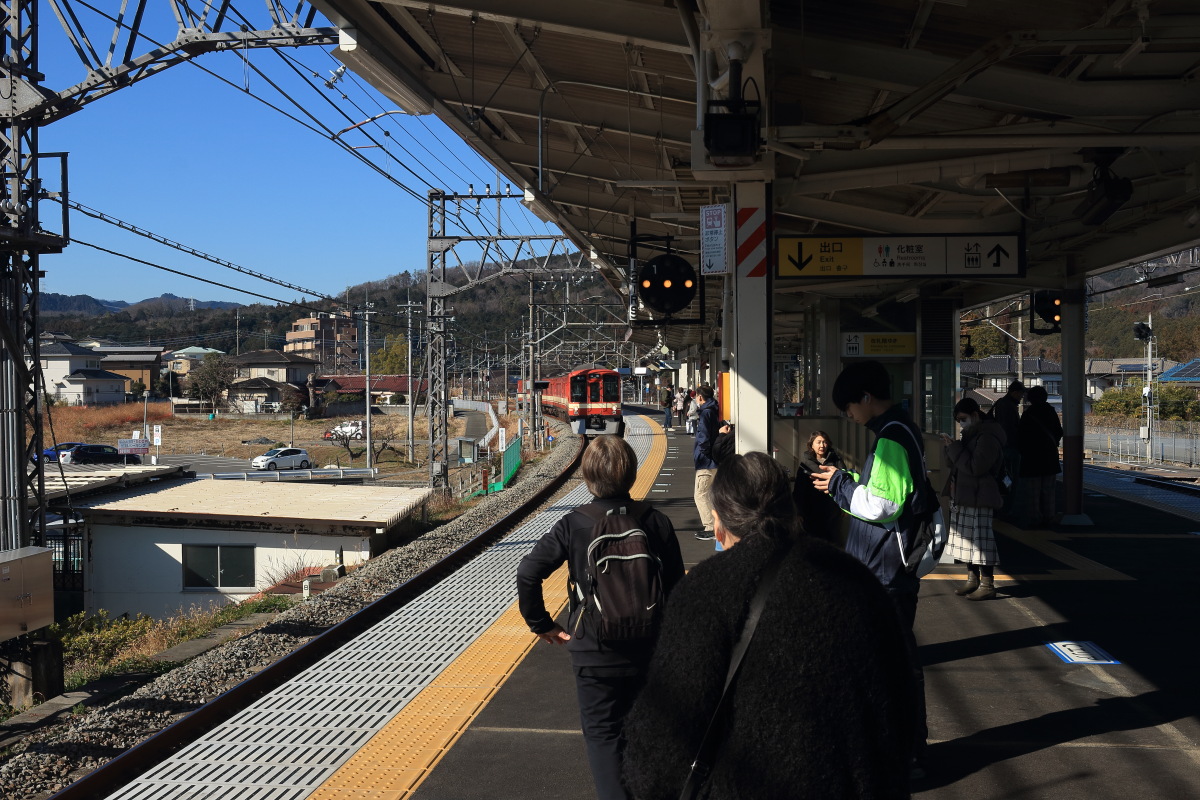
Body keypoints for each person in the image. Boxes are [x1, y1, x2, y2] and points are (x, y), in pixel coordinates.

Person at [622, 453, 914, 799]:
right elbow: (899, 709)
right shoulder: (856, 580)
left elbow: (661, 743)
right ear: (791, 512)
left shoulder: (703, 592)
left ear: (719, 522)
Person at [516, 435, 684, 800]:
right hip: (649, 649)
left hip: (594, 650)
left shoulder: (574, 524)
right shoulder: (655, 522)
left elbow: (528, 572)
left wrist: (542, 624)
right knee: (647, 733)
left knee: (604, 736)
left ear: (588, 477)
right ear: (633, 474)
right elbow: (677, 590)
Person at [810, 359, 929, 777]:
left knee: (893, 667)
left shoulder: (892, 436)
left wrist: (840, 485)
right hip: (887, 567)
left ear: (865, 397)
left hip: (886, 570)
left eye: (848, 406)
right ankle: (901, 750)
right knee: (891, 664)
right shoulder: (899, 430)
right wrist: (844, 481)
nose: (848, 415)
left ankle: (906, 754)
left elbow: (882, 505)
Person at [940, 398, 1005, 601]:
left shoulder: (988, 437)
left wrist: (955, 449)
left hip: (981, 495)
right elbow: (957, 463)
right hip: (967, 494)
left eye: (964, 419)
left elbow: (976, 467)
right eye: (959, 420)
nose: (962, 424)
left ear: (975, 415)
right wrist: (951, 447)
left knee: (981, 541)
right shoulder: (971, 435)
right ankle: (973, 578)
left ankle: (987, 584)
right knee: (967, 541)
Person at [1017, 384, 1063, 528]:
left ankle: (1034, 518)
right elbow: (1059, 431)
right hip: (1049, 457)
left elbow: (1020, 436)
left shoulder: (1028, 414)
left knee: (1033, 491)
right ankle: (1049, 517)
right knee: (1048, 490)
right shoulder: (1051, 411)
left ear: (1030, 399)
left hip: (1031, 459)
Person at [792, 430, 845, 545]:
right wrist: (798, 512)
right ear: (811, 445)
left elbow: (844, 483)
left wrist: (844, 505)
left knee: (832, 542)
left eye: (825, 442)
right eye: (818, 442)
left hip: (831, 510)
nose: (822, 445)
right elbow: (799, 489)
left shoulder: (836, 460)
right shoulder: (805, 463)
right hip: (810, 511)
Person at [990, 380, 1024, 519]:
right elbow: (1010, 429)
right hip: (1010, 448)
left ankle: (1001, 507)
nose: (1021, 397)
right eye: (1021, 394)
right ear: (1015, 393)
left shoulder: (1001, 403)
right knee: (1009, 479)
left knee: (1003, 478)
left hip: (1002, 447)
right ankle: (1006, 508)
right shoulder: (1008, 406)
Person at [692, 385, 720, 540]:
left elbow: (703, 437)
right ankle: (716, 527)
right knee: (709, 495)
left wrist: (702, 454)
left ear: (700, 397)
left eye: (696, 396)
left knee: (700, 495)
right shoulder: (714, 410)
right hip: (713, 460)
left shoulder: (705, 413)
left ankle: (710, 527)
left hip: (706, 462)